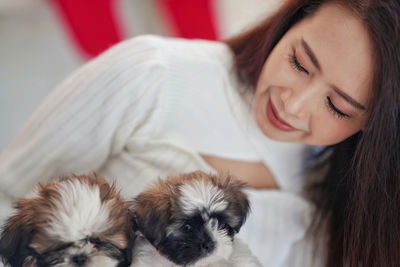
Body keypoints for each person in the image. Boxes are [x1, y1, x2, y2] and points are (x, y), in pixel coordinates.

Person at [0, 0, 399, 266]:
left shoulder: (358, 197)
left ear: (374, 127)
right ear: (289, 23)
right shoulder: (154, 74)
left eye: (337, 106)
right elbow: (8, 193)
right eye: (299, 62)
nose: (293, 105)